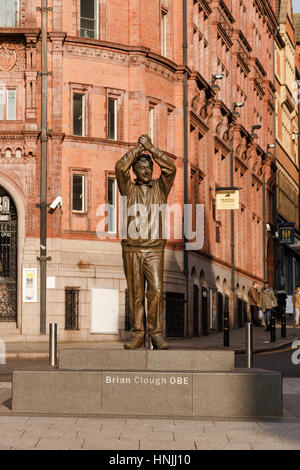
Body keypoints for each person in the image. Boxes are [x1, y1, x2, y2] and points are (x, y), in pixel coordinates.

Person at [115, 134, 176, 350]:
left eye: (149, 167)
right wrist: (137, 149)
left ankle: (156, 334)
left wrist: (151, 148)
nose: (147, 170)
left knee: (157, 291)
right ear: (135, 170)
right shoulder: (127, 189)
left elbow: (170, 168)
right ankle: (138, 334)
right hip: (132, 249)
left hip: (154, 250)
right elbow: (120, 167)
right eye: (142, 167)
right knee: (136, 294)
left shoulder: (160, 188)